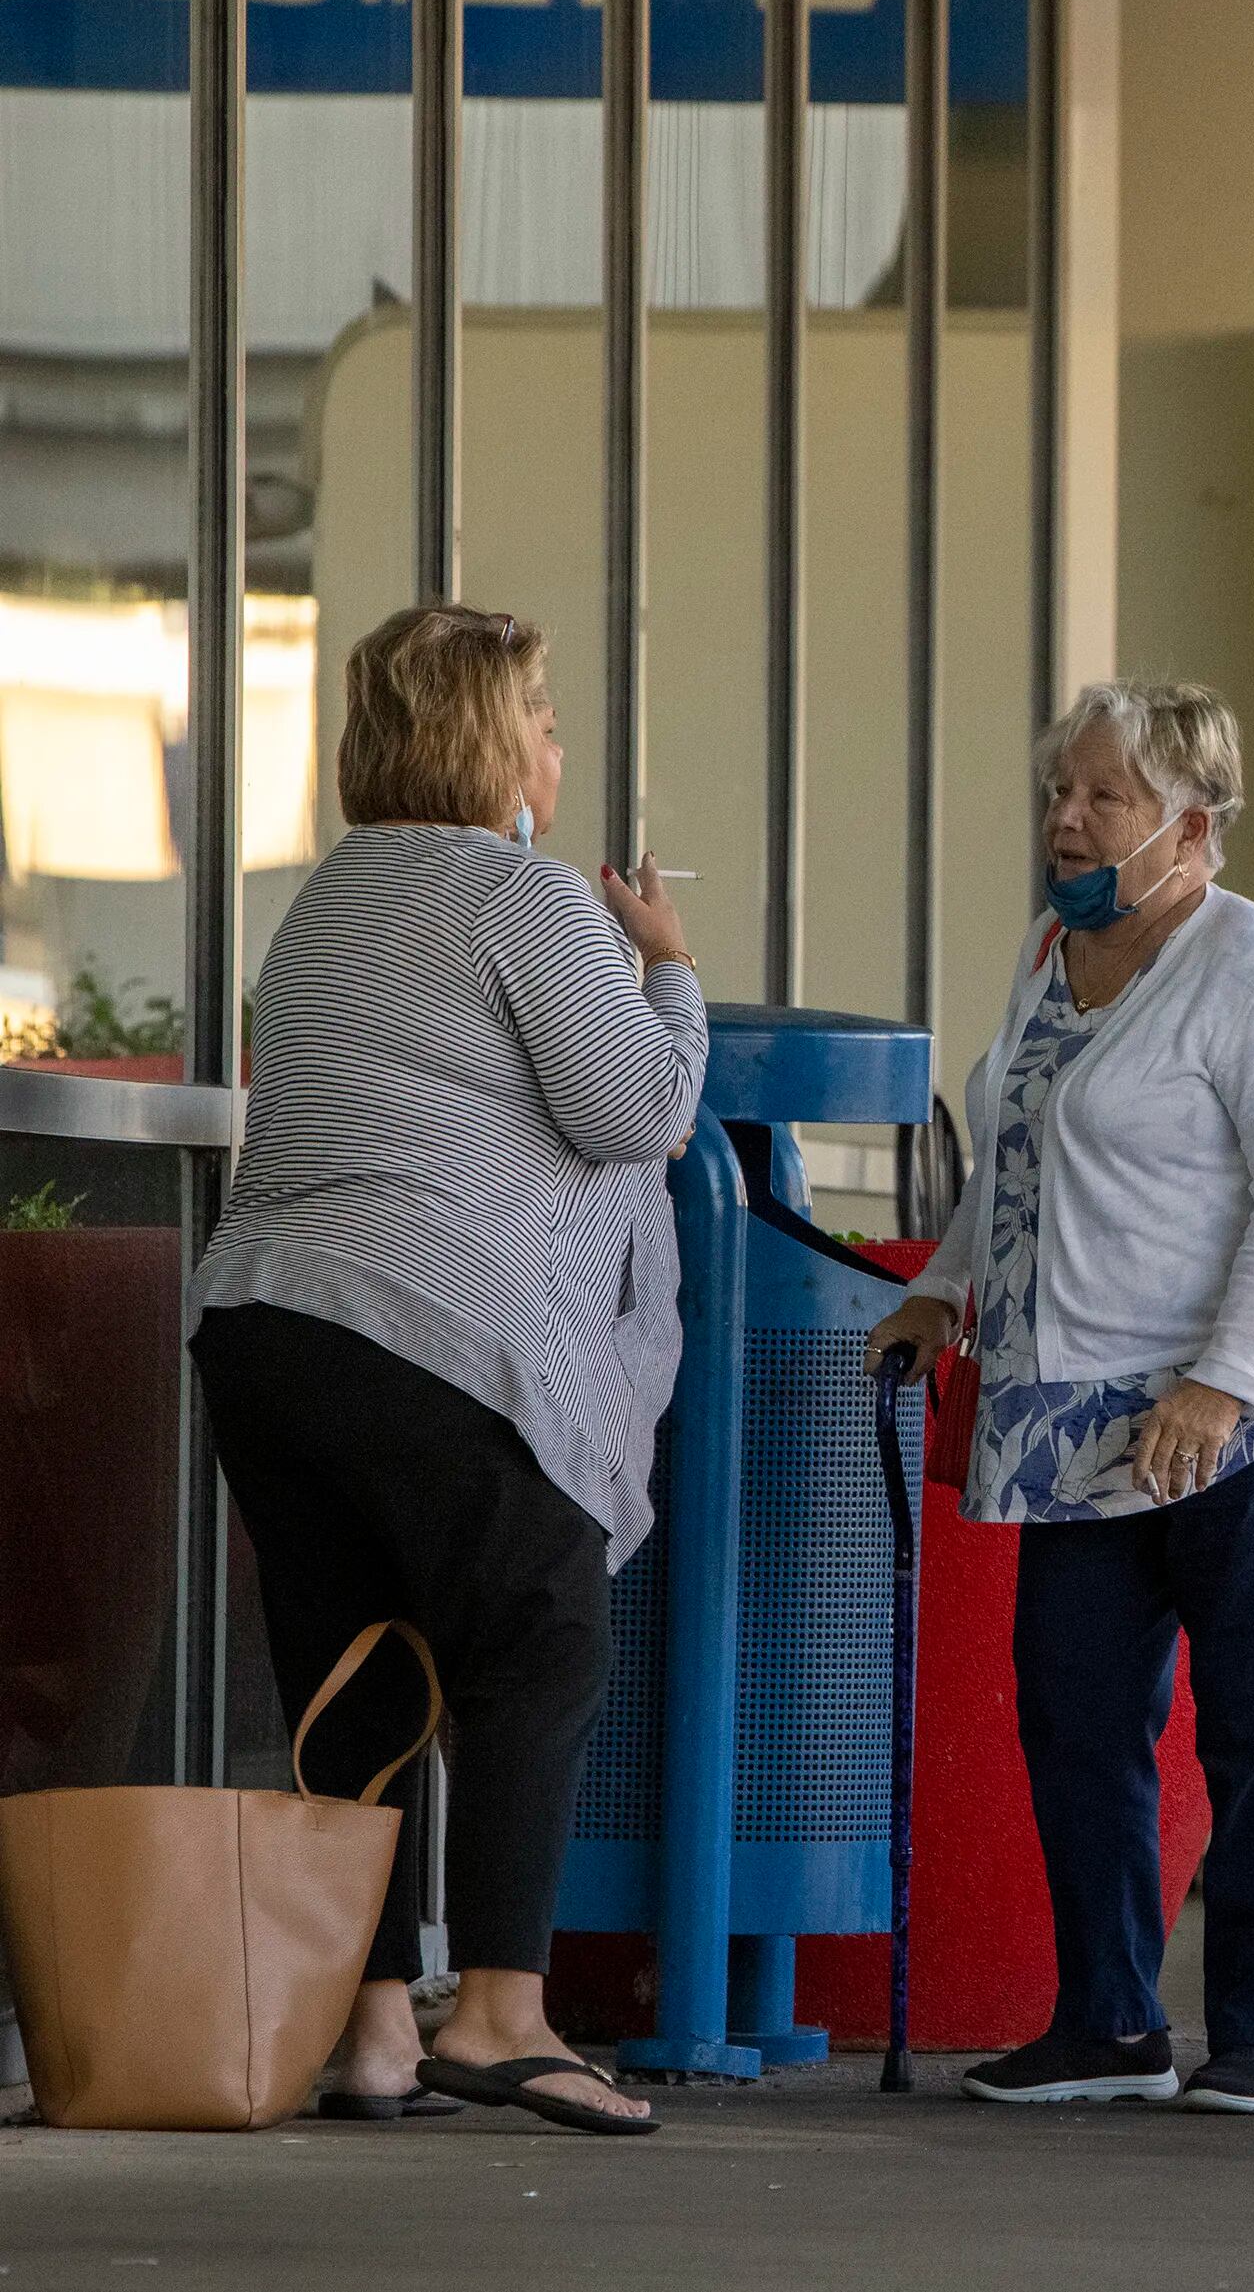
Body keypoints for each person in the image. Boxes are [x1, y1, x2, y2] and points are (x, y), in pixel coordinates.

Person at [867, 682, 1254, 2118]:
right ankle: (1108, 2021)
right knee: (1073, 1706)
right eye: (1060, 787)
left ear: (1191, 823)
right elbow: (1019, 1152)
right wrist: (944, 1287)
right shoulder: (1054, 949)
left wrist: (1223, 1387)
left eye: (1103, 794)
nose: (1067, 814)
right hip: (1077, 1402)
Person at [187, 602, 704, 2136]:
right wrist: (664, 967)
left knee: (362, 1672)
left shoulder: (324, 901)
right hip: (423, 1324)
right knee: (538, 1634)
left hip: (263, 1325)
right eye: (541, 719)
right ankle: (498, 2011)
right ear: (492, 742)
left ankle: (369, 2034)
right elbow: (638, 1112)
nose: (557, 749)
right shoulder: (525, 899)